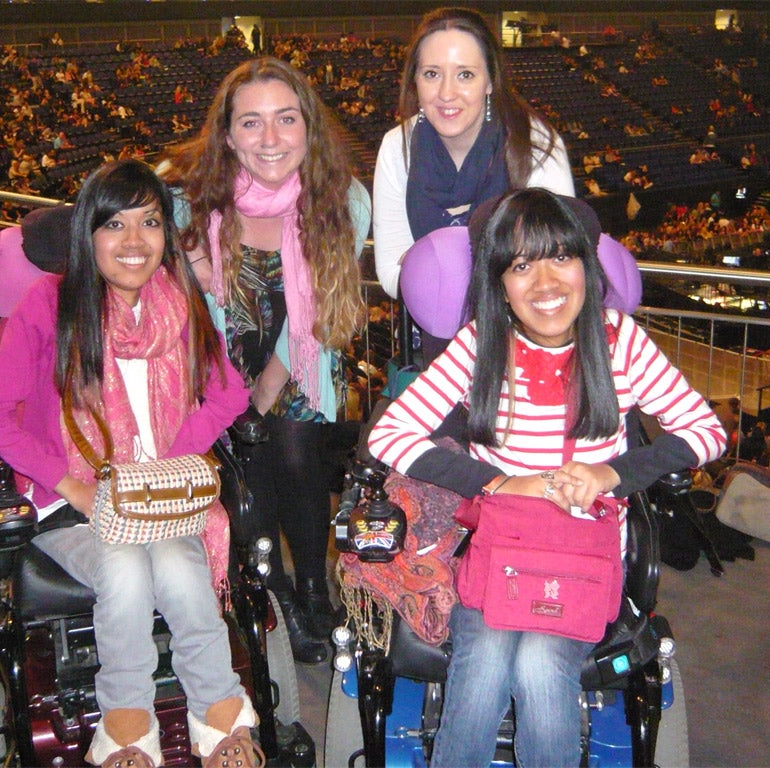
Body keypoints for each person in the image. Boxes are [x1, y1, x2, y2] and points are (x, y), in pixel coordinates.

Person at [367, 189, 726, 767]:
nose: (544, 282)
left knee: (538, 664)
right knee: (482, 666)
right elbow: (389, 435)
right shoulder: (482, 343)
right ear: (500, 282)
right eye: (521, 264)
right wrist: (497, 481)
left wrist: (612, 473)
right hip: (501, 548)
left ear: (587, 263)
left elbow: (705, 431)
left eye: (560, 257)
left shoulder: (619, 342)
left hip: (583, 554)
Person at [0, 160, 261, 768]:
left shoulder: (182, 304)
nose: (133, 242)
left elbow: (230, 393)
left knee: (181, 571)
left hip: (158, 501)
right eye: (114, 224)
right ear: (89, 235)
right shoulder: (49, 304)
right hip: (73, 506)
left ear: (165, 234)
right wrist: (72, 485)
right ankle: (127, 728)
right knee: (125, 570)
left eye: (149, 222)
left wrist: (174, 456)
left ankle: (220, 718)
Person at [161, 57, 370, 665]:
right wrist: (192, 258)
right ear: (226, 135)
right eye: (251, 123)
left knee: (297, 455)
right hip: (214, 372)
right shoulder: (189, 204)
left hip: (301, 361)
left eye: (286, 119)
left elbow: (324, 310)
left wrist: (265, 391)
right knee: (245, 478)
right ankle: (270, 585)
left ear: (309, 126)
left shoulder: (343, 200)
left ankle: (310, 589)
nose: (271, 139)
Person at [372, 6, 573, 363]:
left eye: (465, 74)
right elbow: (390, 273)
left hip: (527, 347)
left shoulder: (536, 144)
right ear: (414, 80)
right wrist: (504, 265)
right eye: (432, 74)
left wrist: (430, 263)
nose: (447, 93)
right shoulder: (396, 147)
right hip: (433, 352)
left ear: (490, 81)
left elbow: (556, 266)